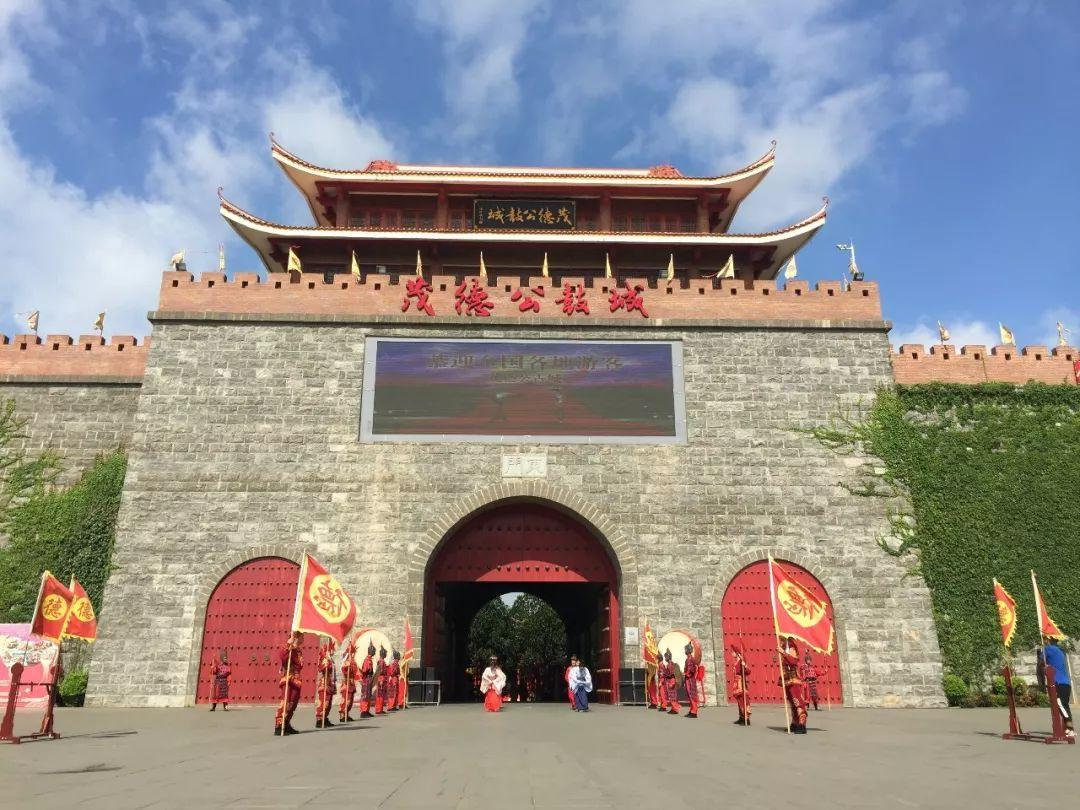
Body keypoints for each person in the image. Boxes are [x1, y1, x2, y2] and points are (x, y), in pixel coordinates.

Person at [1042, 637, 1075, 738]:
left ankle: (1070, 729)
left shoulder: (1047, 649)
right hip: (1065, 683)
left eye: (1044, 639)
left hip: (1059, 683)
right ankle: (1068, 728)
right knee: (1064, 705)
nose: (1043, 641)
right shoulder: (1060, 651)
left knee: (1060, 704)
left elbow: (1041, 662)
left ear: (1048, 640)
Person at [274, 631, 303, 736]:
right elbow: (283, 657)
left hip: (296, 680)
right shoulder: (288, 648)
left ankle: (286, 723)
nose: (303, 639)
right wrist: (288, 645)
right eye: (301, 637)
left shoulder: (298, 650)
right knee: (286, 702)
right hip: (288, 680)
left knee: (292, 704)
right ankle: (279, 724)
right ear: (296, 638)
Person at [779, 637, 807, 734]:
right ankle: (795, 723)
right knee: (792, 703)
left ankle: (802, 724)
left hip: (794, 680)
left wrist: (783, 652)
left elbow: (793, 661)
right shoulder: (784, 648)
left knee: (797, 702)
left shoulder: (791, 647)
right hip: (787, 680)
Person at [315, 640, 336, 727]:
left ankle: (325, 717)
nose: (333, 651)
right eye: (332, 649)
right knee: (323, 702)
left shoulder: (331, 660)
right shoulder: (324, 659)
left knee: (328, 703)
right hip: (324, 683)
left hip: (329, 683)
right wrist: (325, 664)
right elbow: (320, 668)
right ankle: (319, 719)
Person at [730, 641, 752, 726]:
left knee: (743, 700)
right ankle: (741, 717)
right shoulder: (736, 661)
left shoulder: (741, 661)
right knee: (739, 701)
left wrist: (744, 665)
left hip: (741, 683)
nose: (731, 653)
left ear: (737, 653)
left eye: (733, 652)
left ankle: (746, 719)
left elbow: (748, 671)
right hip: (737, 682)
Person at [339, 639, 359, 722]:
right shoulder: (346, 662)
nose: (354, 654)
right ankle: (342, 715)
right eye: (353, 653)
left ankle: (347, 714)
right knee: (346, 699)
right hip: (346, 683)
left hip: (351, 682)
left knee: (350, 700)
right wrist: (347, 667)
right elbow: (343, 671)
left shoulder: (353, 661)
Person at [358, 643, 376, 718]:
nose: (374, 652)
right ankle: (363, 711)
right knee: (365, 695)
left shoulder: (370, 660)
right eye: (374, 651)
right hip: (366, 680)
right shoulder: (366, 660)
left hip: (369, 679)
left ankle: (367, 710)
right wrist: (368, 670)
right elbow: (364, 671)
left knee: (368, 695)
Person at [683, 643, 700, 718]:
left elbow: (692, 669)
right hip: (688, 679)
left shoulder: (691, 659)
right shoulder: (688, 659)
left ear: (688, 650)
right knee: (689, 695)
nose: (685, 651)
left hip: (690, 679)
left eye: (686, 650)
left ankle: (694, 712)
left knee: (692, 695)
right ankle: (692, 710)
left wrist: (686, 674)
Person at [660, 650, 680, 715]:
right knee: (671, 695)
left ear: (669, 657)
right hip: (669, 680)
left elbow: (671, 673)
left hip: (671, 680)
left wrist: (666, 675)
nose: (665, 658)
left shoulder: (671, 664)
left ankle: (675, 709)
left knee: (673, 695)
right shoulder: (669, 664)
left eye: (666, 657)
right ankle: (673, 708)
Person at [374, 646, 389, 715]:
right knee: (380, 694)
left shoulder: (382, 661)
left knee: (382, 694)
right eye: (385, 653)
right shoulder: (381, 661)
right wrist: (381, 680)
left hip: (382, 678)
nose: (386, 654)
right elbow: (380, 671)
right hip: (381, 678)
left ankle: (380, 708)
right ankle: (378, 709)